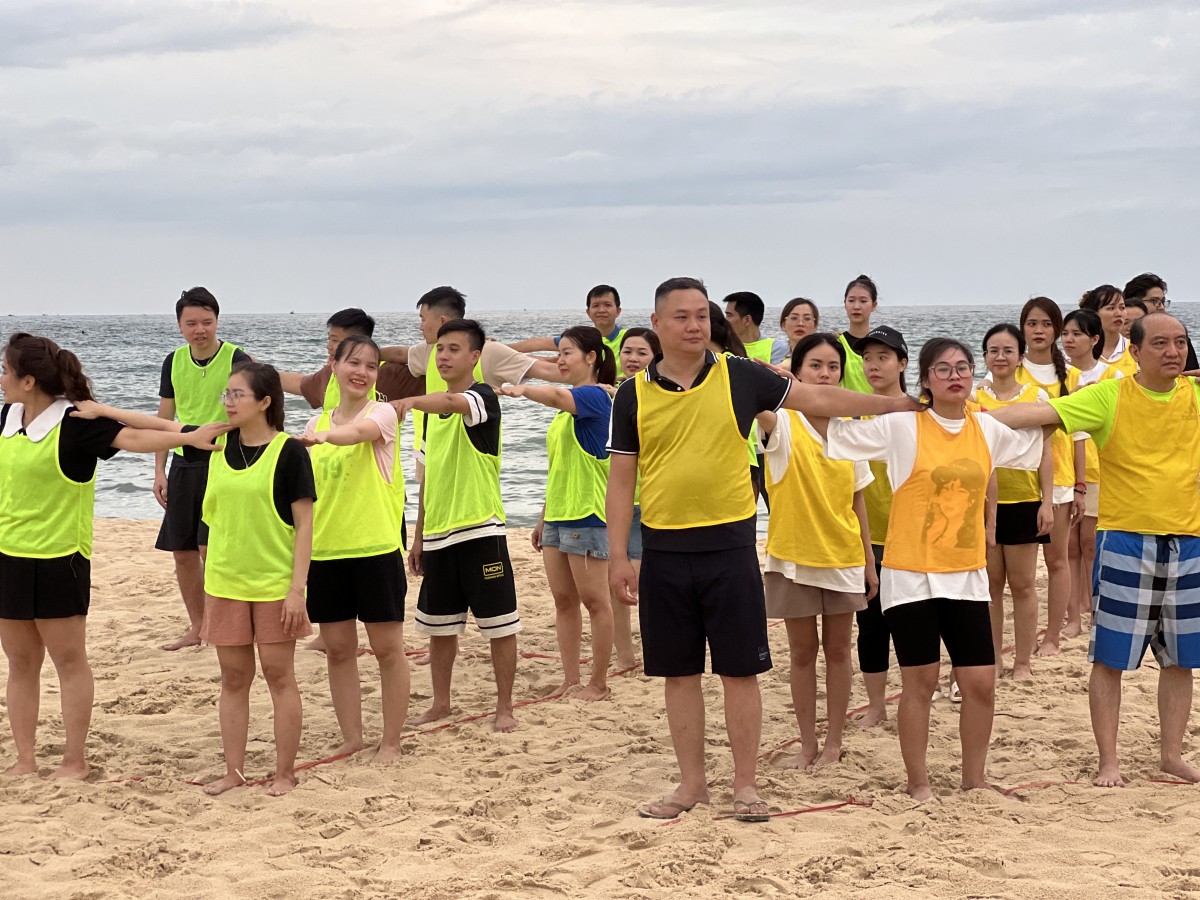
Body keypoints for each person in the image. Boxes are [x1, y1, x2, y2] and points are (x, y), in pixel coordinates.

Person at [606, 277, 916, 822]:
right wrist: (617, 555)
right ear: (656, 324)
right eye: (681, 316)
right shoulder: (632, 393)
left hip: (729, 547)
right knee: (679, 674)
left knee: (739, 671)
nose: (694, 326)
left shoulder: (739, 374)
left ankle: (745, 786)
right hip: (663, 550)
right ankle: (692, 785)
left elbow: (818, 398)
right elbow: (621, 478)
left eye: (701, 315)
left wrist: (901, 404)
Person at [814, 338, 1043, 801]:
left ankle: (974, 780)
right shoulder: (903, 425)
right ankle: (917, 782)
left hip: (967, 575)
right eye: (942, 369)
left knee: (980, 683)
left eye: (962, 367)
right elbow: (832, 431)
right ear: (925, 379)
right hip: (910, 576)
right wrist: (795, 389)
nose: (954, 376)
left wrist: (1047, 407)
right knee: (921, 682)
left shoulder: (987, 428)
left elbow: (1042, 436)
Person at [0, 334, 227, 780]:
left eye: (5, 371)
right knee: (21, 663)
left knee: (68, 662)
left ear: (29, 381)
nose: (1, 379)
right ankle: (25, 761)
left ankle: (74, 761)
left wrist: (189, 434)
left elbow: (136, 436)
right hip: (8, 557)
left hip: (60, 559)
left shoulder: (75, 421)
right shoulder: (6, 418)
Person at [988, 313, 1200, 787]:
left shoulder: (1195, 395)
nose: (1173, 351)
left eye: (1181, 342)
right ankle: (1109, 761)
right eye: (1161, 343)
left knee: (1182, 659)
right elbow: (1036, 416)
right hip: (1126, 541)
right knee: (1109, 659)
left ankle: (1171, 755)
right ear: (1134, 351)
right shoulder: (1110, 395)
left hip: (1189, 543)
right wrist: (955, 416)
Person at [754, 334, 876, 769]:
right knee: (803, 654)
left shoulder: (850, 428)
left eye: (833, 366)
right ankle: (808, 744)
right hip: (793, 558)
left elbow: (858, 499)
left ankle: (834, 743)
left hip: (844, 557)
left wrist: (869, 560)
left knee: (840, 652)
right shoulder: (781, 423)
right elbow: (749, 387)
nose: (825, 374)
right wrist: (780, 376)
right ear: (799, 370)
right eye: (815, 366)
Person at [397, 319, 521, 733]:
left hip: (480, 530)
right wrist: (418, 538)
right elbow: (428, 478)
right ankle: (441, 703)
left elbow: (452, 402)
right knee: (440, 627)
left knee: (499, 624)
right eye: (440, 349)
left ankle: (505, 706)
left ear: (474, 356)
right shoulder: (431, 416)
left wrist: (408, 401)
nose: (444, 356)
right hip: (438, 535)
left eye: (454, 349)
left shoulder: (482, 397)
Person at [197, 362, 316, 797]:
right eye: (226, 394)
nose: (228, 402)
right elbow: (209, 519)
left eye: (237, 395)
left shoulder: (290, 452)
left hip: (274, 585)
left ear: (265, 402)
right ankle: (234, 772)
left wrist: (297, 590)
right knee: (233, 678)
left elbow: (305, 526)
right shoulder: (216, 448)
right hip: (225, 582)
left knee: (278, 675)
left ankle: (285, 773)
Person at [301, 335, 410, 765]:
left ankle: (391, 742)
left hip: (375, 550)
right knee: (339, 650)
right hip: (326, 554)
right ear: (334, 365)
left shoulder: (381, 413)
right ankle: (352, 738)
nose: (362, 372)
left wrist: (323, 437)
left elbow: (357, 434)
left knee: (387, 650)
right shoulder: (316, 422)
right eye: (353, 363)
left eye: (370, 366)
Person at [501, 326, 617, 700]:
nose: (560, 360)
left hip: (588, 515)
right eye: (559, 353)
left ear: (591, 358)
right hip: (558, 516)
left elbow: (553, 394)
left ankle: (598, 682)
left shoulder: (595, 397)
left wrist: (522, 389)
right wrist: (542, 518)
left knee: (595, 603)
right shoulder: (566, 412)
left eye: (568, 353)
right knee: (564, 602)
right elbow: (559, 469)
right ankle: (570, 679)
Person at [154, 288, 251, 652]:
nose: (200, 330)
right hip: (184, 462)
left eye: (207, 322)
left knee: (214, 549)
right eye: (191, 323)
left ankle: (226, 623)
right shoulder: (173, 361)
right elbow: (164, 419)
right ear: (180, 326)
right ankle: (198, 626)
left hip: (225, 461)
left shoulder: (236, 358)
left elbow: (253, 411)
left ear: (217, 322)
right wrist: (159, 470)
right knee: (182, 551)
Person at [973, 325, 1054, 681]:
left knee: (1022, 585)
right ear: (985, 357)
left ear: (1021, 356)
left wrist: (1047, 502)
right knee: (990, 586)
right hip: (983, 505)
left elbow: (1046, 453)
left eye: (1008, 350)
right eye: (993, 350)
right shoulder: (973, 398)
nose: (1000, 357)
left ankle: (1022, 663)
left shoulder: (1036, 396)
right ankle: (993, 661)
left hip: (1024, 501)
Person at [1010, 298, 1082, 657]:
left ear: (1057, 330)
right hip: (1018, 481)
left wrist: (1080, 485)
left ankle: (1053, 636)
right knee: (1014, 574)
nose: (1038, 331)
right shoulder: (1012, 369)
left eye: (1046, 324)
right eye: (1031, 324)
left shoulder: (1071, 375)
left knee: (1057, 559)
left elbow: (1079, 436)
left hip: (1061, 477)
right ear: (1022, 328)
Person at [850, 326, 909, 726]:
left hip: (913, 539)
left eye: (883, 358)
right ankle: (876, 705)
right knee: (871, 626)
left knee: (912, 625)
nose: (873, 365)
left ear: (902, 363)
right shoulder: (855, 417)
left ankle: (916, 697)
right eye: (868, 358)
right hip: (868, 537)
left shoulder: (920, 414)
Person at [1059, 309, 1121, 639]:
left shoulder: (1111, 375)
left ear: (1094, 339)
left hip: (1101, 469)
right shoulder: (1060, 375)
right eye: (1065, 333)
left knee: (1091, 544)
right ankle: (1073, 616)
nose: (1069, 340)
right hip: (1064, 468)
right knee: (1068, 546)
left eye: (1077, 334)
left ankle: (1097, 611)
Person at [278, 307, 425, 411]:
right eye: (329, 339)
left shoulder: (391, 373)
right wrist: (264, 372)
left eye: (335, 340)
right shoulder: (330, 374)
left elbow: (431, 368)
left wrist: (377, 354)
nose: (329, 346)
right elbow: (299, 383)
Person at [509, 284, 630, 359]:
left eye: (607, 305)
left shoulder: (629, 338)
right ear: (588, 312)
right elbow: (539, 343)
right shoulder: (582, 339)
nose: (601, 310)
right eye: (596, 306)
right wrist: (501, 349)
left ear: (618, 311)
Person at [1079, 285, 1137, 376]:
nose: (1119, 314)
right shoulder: (1080, 351)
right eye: (1111, 308)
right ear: (1094, 313)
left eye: (1122, 308)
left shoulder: (1136, 350)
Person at [838, 276, 878, 393]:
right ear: (845, 304)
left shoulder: (882, 343)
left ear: (874, 305)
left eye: (863, 301)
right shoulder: (837, 343)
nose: (856, 306)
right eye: (851, 301)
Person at [723, 292, 774, 362]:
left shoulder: (776, 348)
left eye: (729, 315)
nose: (725, 320)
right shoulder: (720, 347)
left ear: (747, 320)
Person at [771, 298, 819, 365]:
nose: (800, 323)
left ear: (815, 325)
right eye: (794, 318)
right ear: (783, 324)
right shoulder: (773, 356)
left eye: (807, 319)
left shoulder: (824, 356)